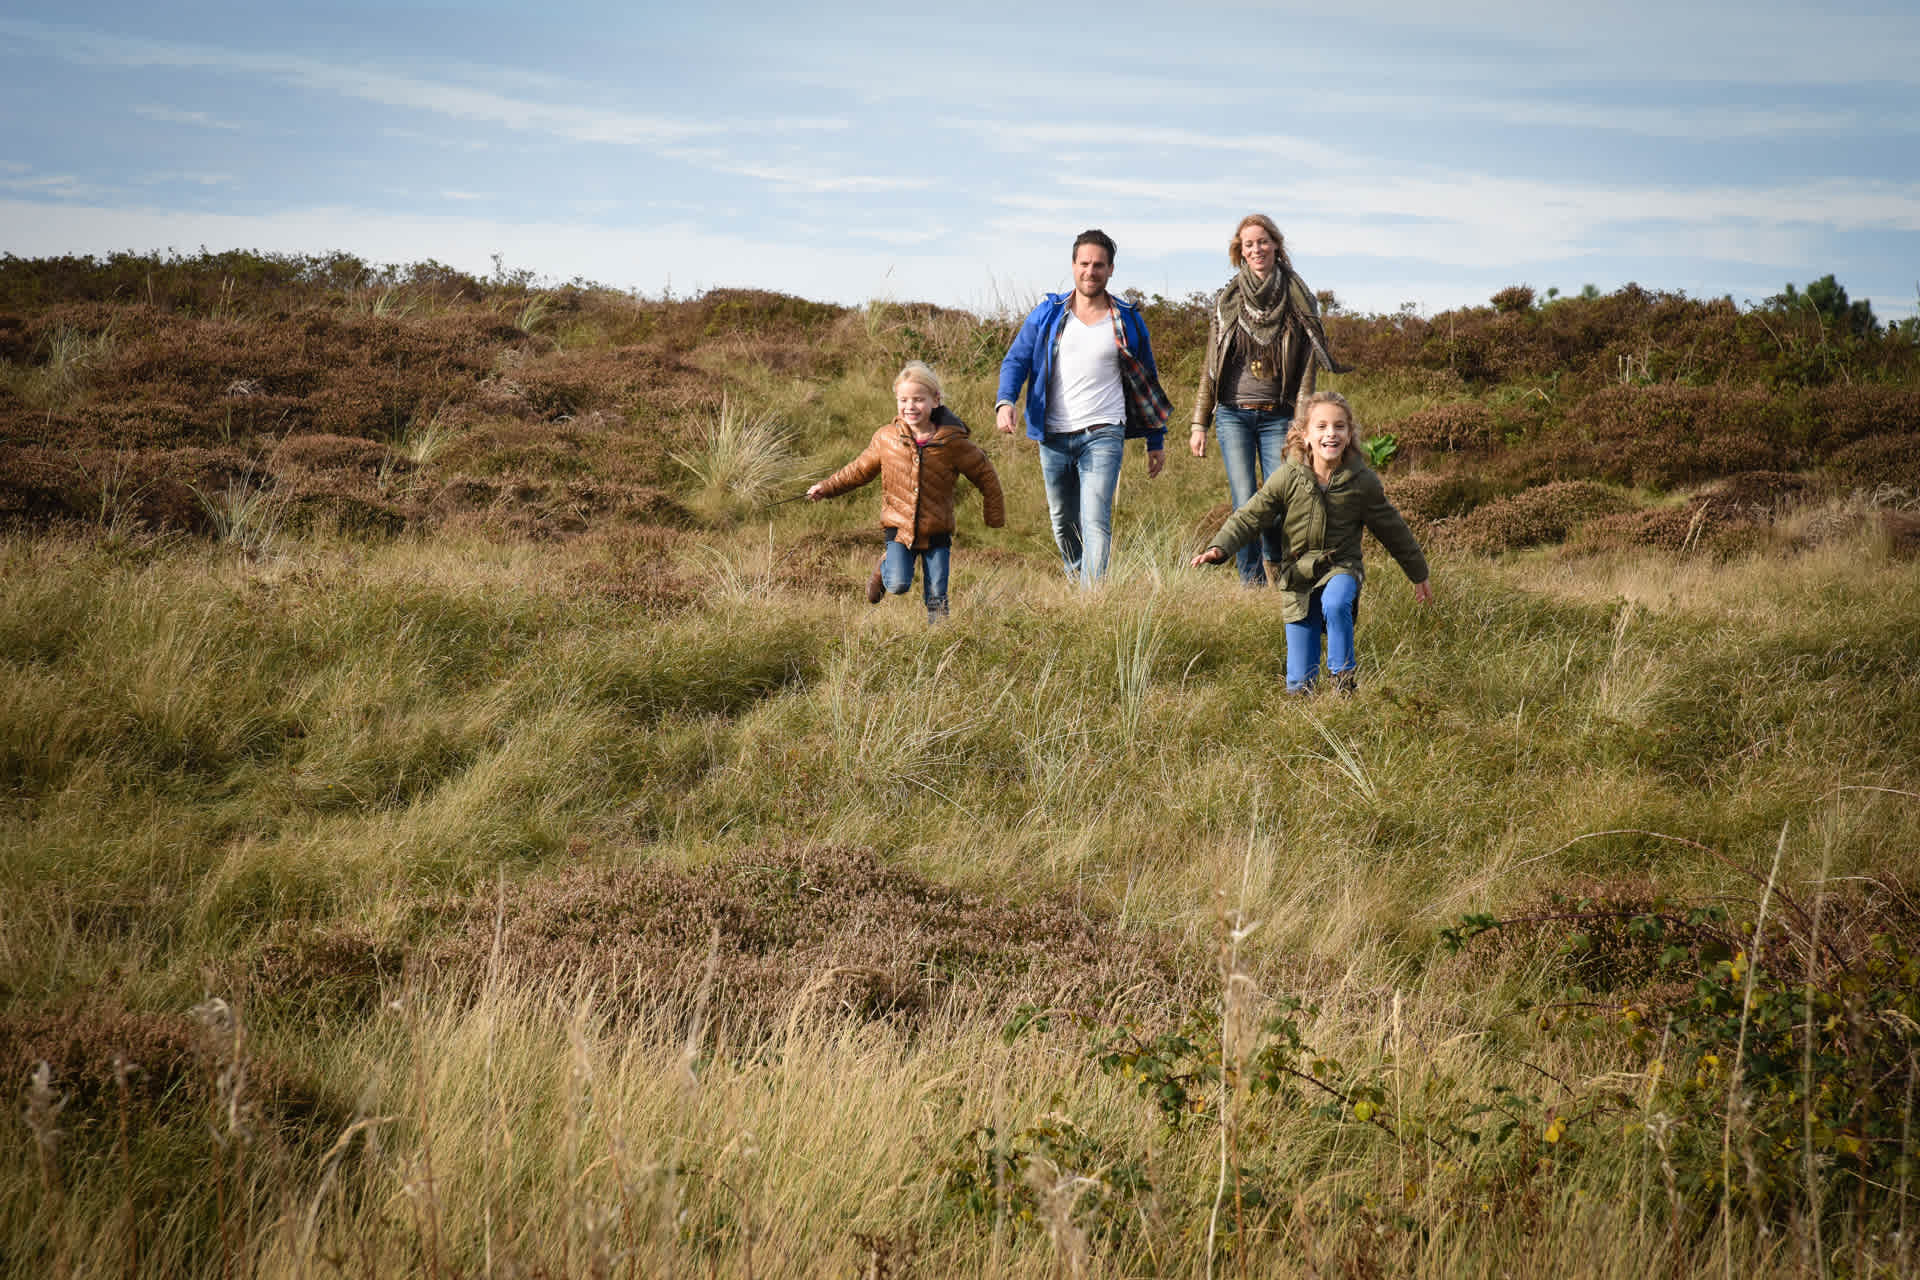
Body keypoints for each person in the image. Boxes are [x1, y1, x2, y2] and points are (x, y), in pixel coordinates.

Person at [1190, 391, 1432, 694]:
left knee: (1336, 601)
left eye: (1339, 426)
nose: (1331, 433)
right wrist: (1219, 547)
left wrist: (1418, 574)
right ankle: (1304, 703)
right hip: (1298, 578)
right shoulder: (1288, 477)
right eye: (1321, 426)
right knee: (1298, 685)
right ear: (1304, 435)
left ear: (1349, 433)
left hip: (1341, 566)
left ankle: (1343, 681)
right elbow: (1250, 516)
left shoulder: (1362, 482)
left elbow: (1394, 530)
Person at [995, 228, 1169, 586]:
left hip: (1104, 431)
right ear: (1073, 266)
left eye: (1099, 265)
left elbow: (1147, 380)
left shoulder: (1127, 319)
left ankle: (1093, 596)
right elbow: (1017, 359)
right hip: (1054, 433)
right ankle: (1076, 579)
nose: (1091, 271)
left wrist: (1156, 441)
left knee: (1095, 519)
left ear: (1111, 270)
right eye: (1085, 264)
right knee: (1063, 520)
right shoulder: (1049, 314)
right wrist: (1006, 401)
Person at [1189, 214, 1348, 587]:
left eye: (1263, 241)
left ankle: (1275, 568)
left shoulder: (1298, 298)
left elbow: (1307, 372)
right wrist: (1200, 424)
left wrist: (1303, 424)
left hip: (1279, 417)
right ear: (1239, 253)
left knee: (1278, 500)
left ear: (1276, 245)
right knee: (1245, 501)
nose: (1256, 249)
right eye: (1248, 244)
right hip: (1232, 415)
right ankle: (1251, 583)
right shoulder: (1226, 302)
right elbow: (1210, 367)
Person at [808, 361, 1004, 623]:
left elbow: (985, 474)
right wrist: (826, 487)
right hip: (899, 529)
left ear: (935, 401)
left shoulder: (953, 442)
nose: (910, 406)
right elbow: (857, 470)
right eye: (903, 400)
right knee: (898, 584)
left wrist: (994, 513)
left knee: (937, 594)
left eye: (918, 399)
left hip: (938, 529)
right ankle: (884, 566)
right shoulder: (886, 438)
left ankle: (938, 639)